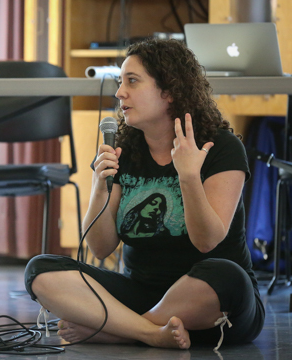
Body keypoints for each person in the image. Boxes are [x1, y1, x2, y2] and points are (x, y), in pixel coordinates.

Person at [24, 38, 263, 350]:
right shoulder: (127, 150)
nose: (120, 92)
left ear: (170, 91)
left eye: (132, 82)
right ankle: (150, 332)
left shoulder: (219, 148)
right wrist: (100, 185)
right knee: (41, 271)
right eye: (120, 82)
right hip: (139, 293)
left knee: (225, 275)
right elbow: (100, 247)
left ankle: (117, 329)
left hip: (209, 301)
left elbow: (207, 240)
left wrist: (189, 175)